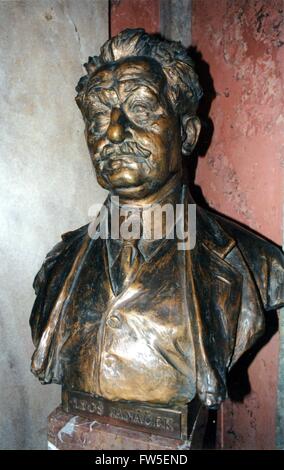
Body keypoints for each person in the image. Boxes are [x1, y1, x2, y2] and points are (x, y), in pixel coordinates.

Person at [30, 29, 284, 409]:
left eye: (142, 109)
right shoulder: (56, 265)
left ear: (187, 133)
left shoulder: (256, 265)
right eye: (99, 116)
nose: (114, 132)